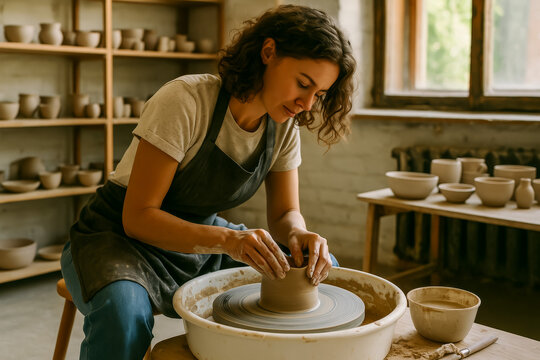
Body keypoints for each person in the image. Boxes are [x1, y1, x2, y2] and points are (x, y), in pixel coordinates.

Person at [61, 4, 356, 359]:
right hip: (116, 238)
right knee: (124, 316)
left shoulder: (283, 126)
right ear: (268, 52)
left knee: (323, 271)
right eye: (303, 84)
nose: (307, 104)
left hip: (199, 240)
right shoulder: (186, 100)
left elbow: (285, 213)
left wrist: (298, 235)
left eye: (319, 94)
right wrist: (231, 241)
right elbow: (138, 217)